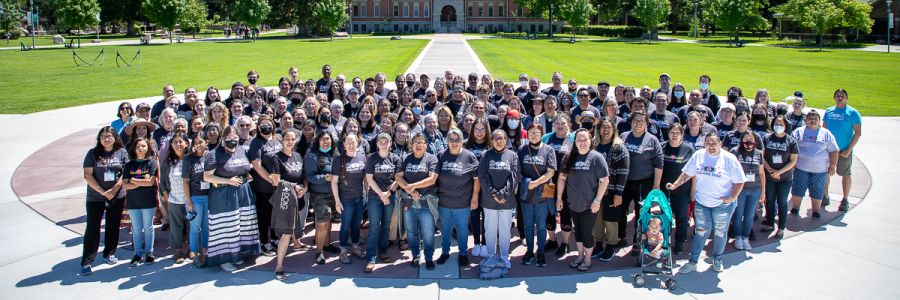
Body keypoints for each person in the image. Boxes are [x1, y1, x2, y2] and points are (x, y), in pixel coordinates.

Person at [669, 133, 746, 274]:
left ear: (720, 144)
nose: (711, 146)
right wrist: (675, 185)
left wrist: (732, 197)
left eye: (714, 143)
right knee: (700, 232)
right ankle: (693, 262)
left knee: (720, 233)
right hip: (702, 202)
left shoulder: (729, 158)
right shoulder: (699, 155)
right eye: (708, 143)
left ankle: (717, 259)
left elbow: (740, 181)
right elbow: (687, 173)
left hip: (722, 205)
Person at [203, 126, 261, 272]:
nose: (232, 141)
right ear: (223, 139)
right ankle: (224, 259)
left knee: (241, 224)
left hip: (243, 192)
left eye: (235, 138)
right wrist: (228, 180)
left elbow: (247, 168)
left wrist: (246, 175)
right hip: (224, 193)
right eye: (229, 138)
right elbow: (207, 176)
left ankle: (238, 253)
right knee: (226, 226)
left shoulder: (242, 150)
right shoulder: (214, 154)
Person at [556, 129, 610, 272]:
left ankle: (587, 259)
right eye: (579, 139)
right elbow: (561, 178)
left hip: (589, 204)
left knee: (586, 232)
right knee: (578, 231)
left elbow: (604, 180)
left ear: (590, 140)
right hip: (573, 203)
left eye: (585, 139)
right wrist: (559, 198)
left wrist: (597, 201)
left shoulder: (596, 158)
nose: (582, 142)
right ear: (575, 142)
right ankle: (580, 256)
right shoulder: (569, 157)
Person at [80, 127, 128, 276]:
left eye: (109, 136)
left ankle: (109, 253)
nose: (106, 139)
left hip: (117, 195)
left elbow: (125, 173)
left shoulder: (122, 152)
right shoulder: (93, 153)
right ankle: (87, 261)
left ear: (115, 137)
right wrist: (102, 191)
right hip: (96, 197)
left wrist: (113, 191)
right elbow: (88, 175)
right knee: (93, 228)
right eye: (103, 137)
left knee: (113, 226)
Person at [264, 130, 309, 280]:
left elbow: (303, 176)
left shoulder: (297, 156)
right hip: (285, 198)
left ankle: (296, 243)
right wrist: (293, 186)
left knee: (295, 224)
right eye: (287, 139)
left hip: (299, 195)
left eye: (292, 139)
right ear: (281, 140)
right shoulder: (276, 158)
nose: (290, 142)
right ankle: (279, 266)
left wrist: (305, 188)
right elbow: (276, 181)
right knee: (286, 232)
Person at [620, 111, 663, 255]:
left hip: (643, 182)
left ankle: (637, 242)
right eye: (635, 121)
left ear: (646, 124)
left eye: (641, 121)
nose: (638, 124)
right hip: (625, 181)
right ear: (631, 122)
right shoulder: (624, 136)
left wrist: (656, 185)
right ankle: (621, 237)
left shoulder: (652, 140)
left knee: (640, 214)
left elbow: (659, 163)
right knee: (621, 211)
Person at [435, 129, 480, 266]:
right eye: (451, 140)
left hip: (462, 202)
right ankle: (445, 252)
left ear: (462, 141)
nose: (454, 143)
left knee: (462, 229)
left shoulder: (469, 156)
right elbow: (434, 178)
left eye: (457, 140)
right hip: (444, 201)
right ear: (447, 141)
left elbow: (477, 180)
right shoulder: (441, 155)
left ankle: (462, 253)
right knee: (446, 228)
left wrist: (474, 198)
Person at [395, 132, 440, 270]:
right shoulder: (406, 159)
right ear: (411, 145)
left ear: (426, 145)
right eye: (416, 142)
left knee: (428, 232)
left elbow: (432, 179)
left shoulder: (431, 159)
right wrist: (410, 191)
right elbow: (398, 177)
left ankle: (428, 257)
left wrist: (413, 186)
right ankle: (415, 255)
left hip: (426, 203)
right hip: (408, 203)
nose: (418, 145)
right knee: (411, 232)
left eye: (421, 142)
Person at [478, 129, 520, 268]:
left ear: (506, 139)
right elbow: (482, 177)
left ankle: (504, 255)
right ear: (491, 141)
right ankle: (490, 255)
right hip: (489, 199)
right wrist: (493, 193)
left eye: (501, 138)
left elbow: (514, 177)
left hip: (506, 200)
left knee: (504, 230)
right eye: (495, 138)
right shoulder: (485, 155)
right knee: (489, 229)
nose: (498, 141)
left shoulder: (512, 155)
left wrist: (503, 194)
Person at [517, 124, 557, 267]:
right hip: (526, 194)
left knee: (541, 226)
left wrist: (535, 183)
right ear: (527, 134)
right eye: (531, 132)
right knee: (528, 225)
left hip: (543, 194)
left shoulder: (549, 150)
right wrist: (527, 183)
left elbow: (551, 172)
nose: (534, 135)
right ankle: (529, 251)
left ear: (541, 134)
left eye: (537, 132)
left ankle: (540, 252)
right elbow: (517, 170)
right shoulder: (522, 150)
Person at [591, 118, 629, 262]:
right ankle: (599, 244)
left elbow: (623, 172)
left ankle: (611, 246)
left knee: (610, 219)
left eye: (608, 128)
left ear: (614, 130)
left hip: (612, 190)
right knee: (597, 218)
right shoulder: (594, 146)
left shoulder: (619, 147)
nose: (605, 130)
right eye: (602, 128)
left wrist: (618, 193)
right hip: (596, 190)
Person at [790, 111, 839, 219]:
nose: (812, 121)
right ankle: (795, 208)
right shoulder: (798, 132)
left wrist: (832, 166)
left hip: (820, 170)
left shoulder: (826, 133)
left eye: (815, 119)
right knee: (798, 189)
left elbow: (834, 151)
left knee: (817, 191)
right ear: (806, 120)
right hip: (800, 168)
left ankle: (816, 211)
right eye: (810, 119)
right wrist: (791, 164)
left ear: (819, 121)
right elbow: (791, 148)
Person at [363, 133, 401, 273]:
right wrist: (381, 194)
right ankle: (371, 257)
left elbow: (398, 179)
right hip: (375, 197)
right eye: (381, 141)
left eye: (386, 141)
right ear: (377, 144)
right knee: (374, 227)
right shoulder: (372, 158)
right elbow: (369, 179)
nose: (384, 144)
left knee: (386, 226)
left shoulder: (395, 158)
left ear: (390, 143)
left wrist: (388, 193)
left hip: (390, 196)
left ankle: (383, 251)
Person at [247, 116, 282, 257]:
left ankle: (274, 238)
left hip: (278, 185)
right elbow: (257, 165)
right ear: (258, 127)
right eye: (263, 124)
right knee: (264, 216)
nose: (266, 127)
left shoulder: (277, 139)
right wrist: (270, 180)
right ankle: (264, 242)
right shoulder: (256, 143)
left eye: (269, 124)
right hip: (264, 187)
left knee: (275, 214)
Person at [331, 134, 368, 264]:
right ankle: (343, 251)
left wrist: (367, 194)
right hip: (346, 199)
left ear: (358, 143)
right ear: (344, 144)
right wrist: (337, 201)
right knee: (345, 226)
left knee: (357, 225)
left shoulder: (362, 157)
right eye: (349, 142)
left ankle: (356, 246)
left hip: (360, 198)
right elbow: (334, 182)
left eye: (354, 142)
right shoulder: (338, 160)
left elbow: (366, 178)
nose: (352, 144)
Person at [122, 137, 160, 267]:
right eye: (138, 146)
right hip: (133, 202)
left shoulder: (151, 163)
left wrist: (133, 180)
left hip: (148, 201)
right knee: (137, 229)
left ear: (148, 148)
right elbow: (125, 185)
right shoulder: (129, 165)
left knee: (148, 228)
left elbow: (150, 182)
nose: (141, 148)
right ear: (134, 148)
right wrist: (141, 181)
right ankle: (137, 253)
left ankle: (149, 252)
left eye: (143, 146)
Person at [822, 88, 861, 212]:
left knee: (845, 174)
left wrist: (849, 149)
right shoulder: (828, 112)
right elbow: (824, 131)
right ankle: (825, 196)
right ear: (834, 98)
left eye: (842, 96)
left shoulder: (852, 113)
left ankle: (845, 199)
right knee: (825, 173)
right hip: (829, 150)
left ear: (846, 98)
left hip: (844, 150)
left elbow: (858, 132)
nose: (840, 98)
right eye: (837, 96)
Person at [304, 131, 340, 264]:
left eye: (328, 139)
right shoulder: (312, 156)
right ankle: (319, 251)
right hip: (320, 195)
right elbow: (310, 176)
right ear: (318, 141)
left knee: (329, 221)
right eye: (323, 139)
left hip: (334, 193)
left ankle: (327, 244)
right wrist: (324, 178)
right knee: (322, 223)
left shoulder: (334, 154)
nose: (326, 142)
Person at [762, 115, 799, 239]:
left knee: (782, 201)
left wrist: (779, 172)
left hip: (785, 177)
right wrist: (770, 170)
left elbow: (793, 161)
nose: (778, 126)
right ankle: (770, 223)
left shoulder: (791, 141)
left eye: (781, 124)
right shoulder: (766, 138)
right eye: (776, 124)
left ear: (785, 126)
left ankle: (781, 227)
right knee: (770, 200)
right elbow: (761, 156)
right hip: (769, 175)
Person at [661, 123, 694, 254]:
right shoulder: (662, 147)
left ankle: (680, 242)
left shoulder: (688, 150)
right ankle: (664, 242)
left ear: (682, 135)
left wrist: (693, 191)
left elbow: (692, 172)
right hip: (664, 190)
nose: (674, 135)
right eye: (672, 132)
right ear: (668, 133)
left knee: (681, 217)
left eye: (677, 133)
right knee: (664, 217)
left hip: (682, 190)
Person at [729, 131, 765, 250]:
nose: (748, 141)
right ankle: (738, 237)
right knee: (738, 214)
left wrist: (763, 191)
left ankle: (745, 237)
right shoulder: (735, 151)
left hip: (755, 188)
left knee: (749, 215)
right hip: (740, 189)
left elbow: (761, 173)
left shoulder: (758, 154)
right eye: (746, 138)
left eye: (751, 139)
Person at [159, 132, 191, 264]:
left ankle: (190, 249)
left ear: (186, 143)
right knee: (176, 226)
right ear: (171, 145)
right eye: (175, 142)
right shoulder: (168, 162)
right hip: (174, 199)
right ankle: (178, 250)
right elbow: (163, 181)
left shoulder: (190, 159)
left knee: (190, 225)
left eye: (180, 142)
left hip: (189, 199)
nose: (178, 144)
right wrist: (166, 195)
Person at [183, 134, 211, 268]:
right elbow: (186, 181)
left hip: (209, 196)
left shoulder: (210, 156)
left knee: (206, 226)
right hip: (195, 197)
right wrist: (188, 201)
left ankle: (205, 251)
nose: (199, 145)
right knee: (195, 227)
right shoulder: (189, 160)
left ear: (206, 142)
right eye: (196, 143)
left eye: (201, 142)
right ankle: (194, 252)